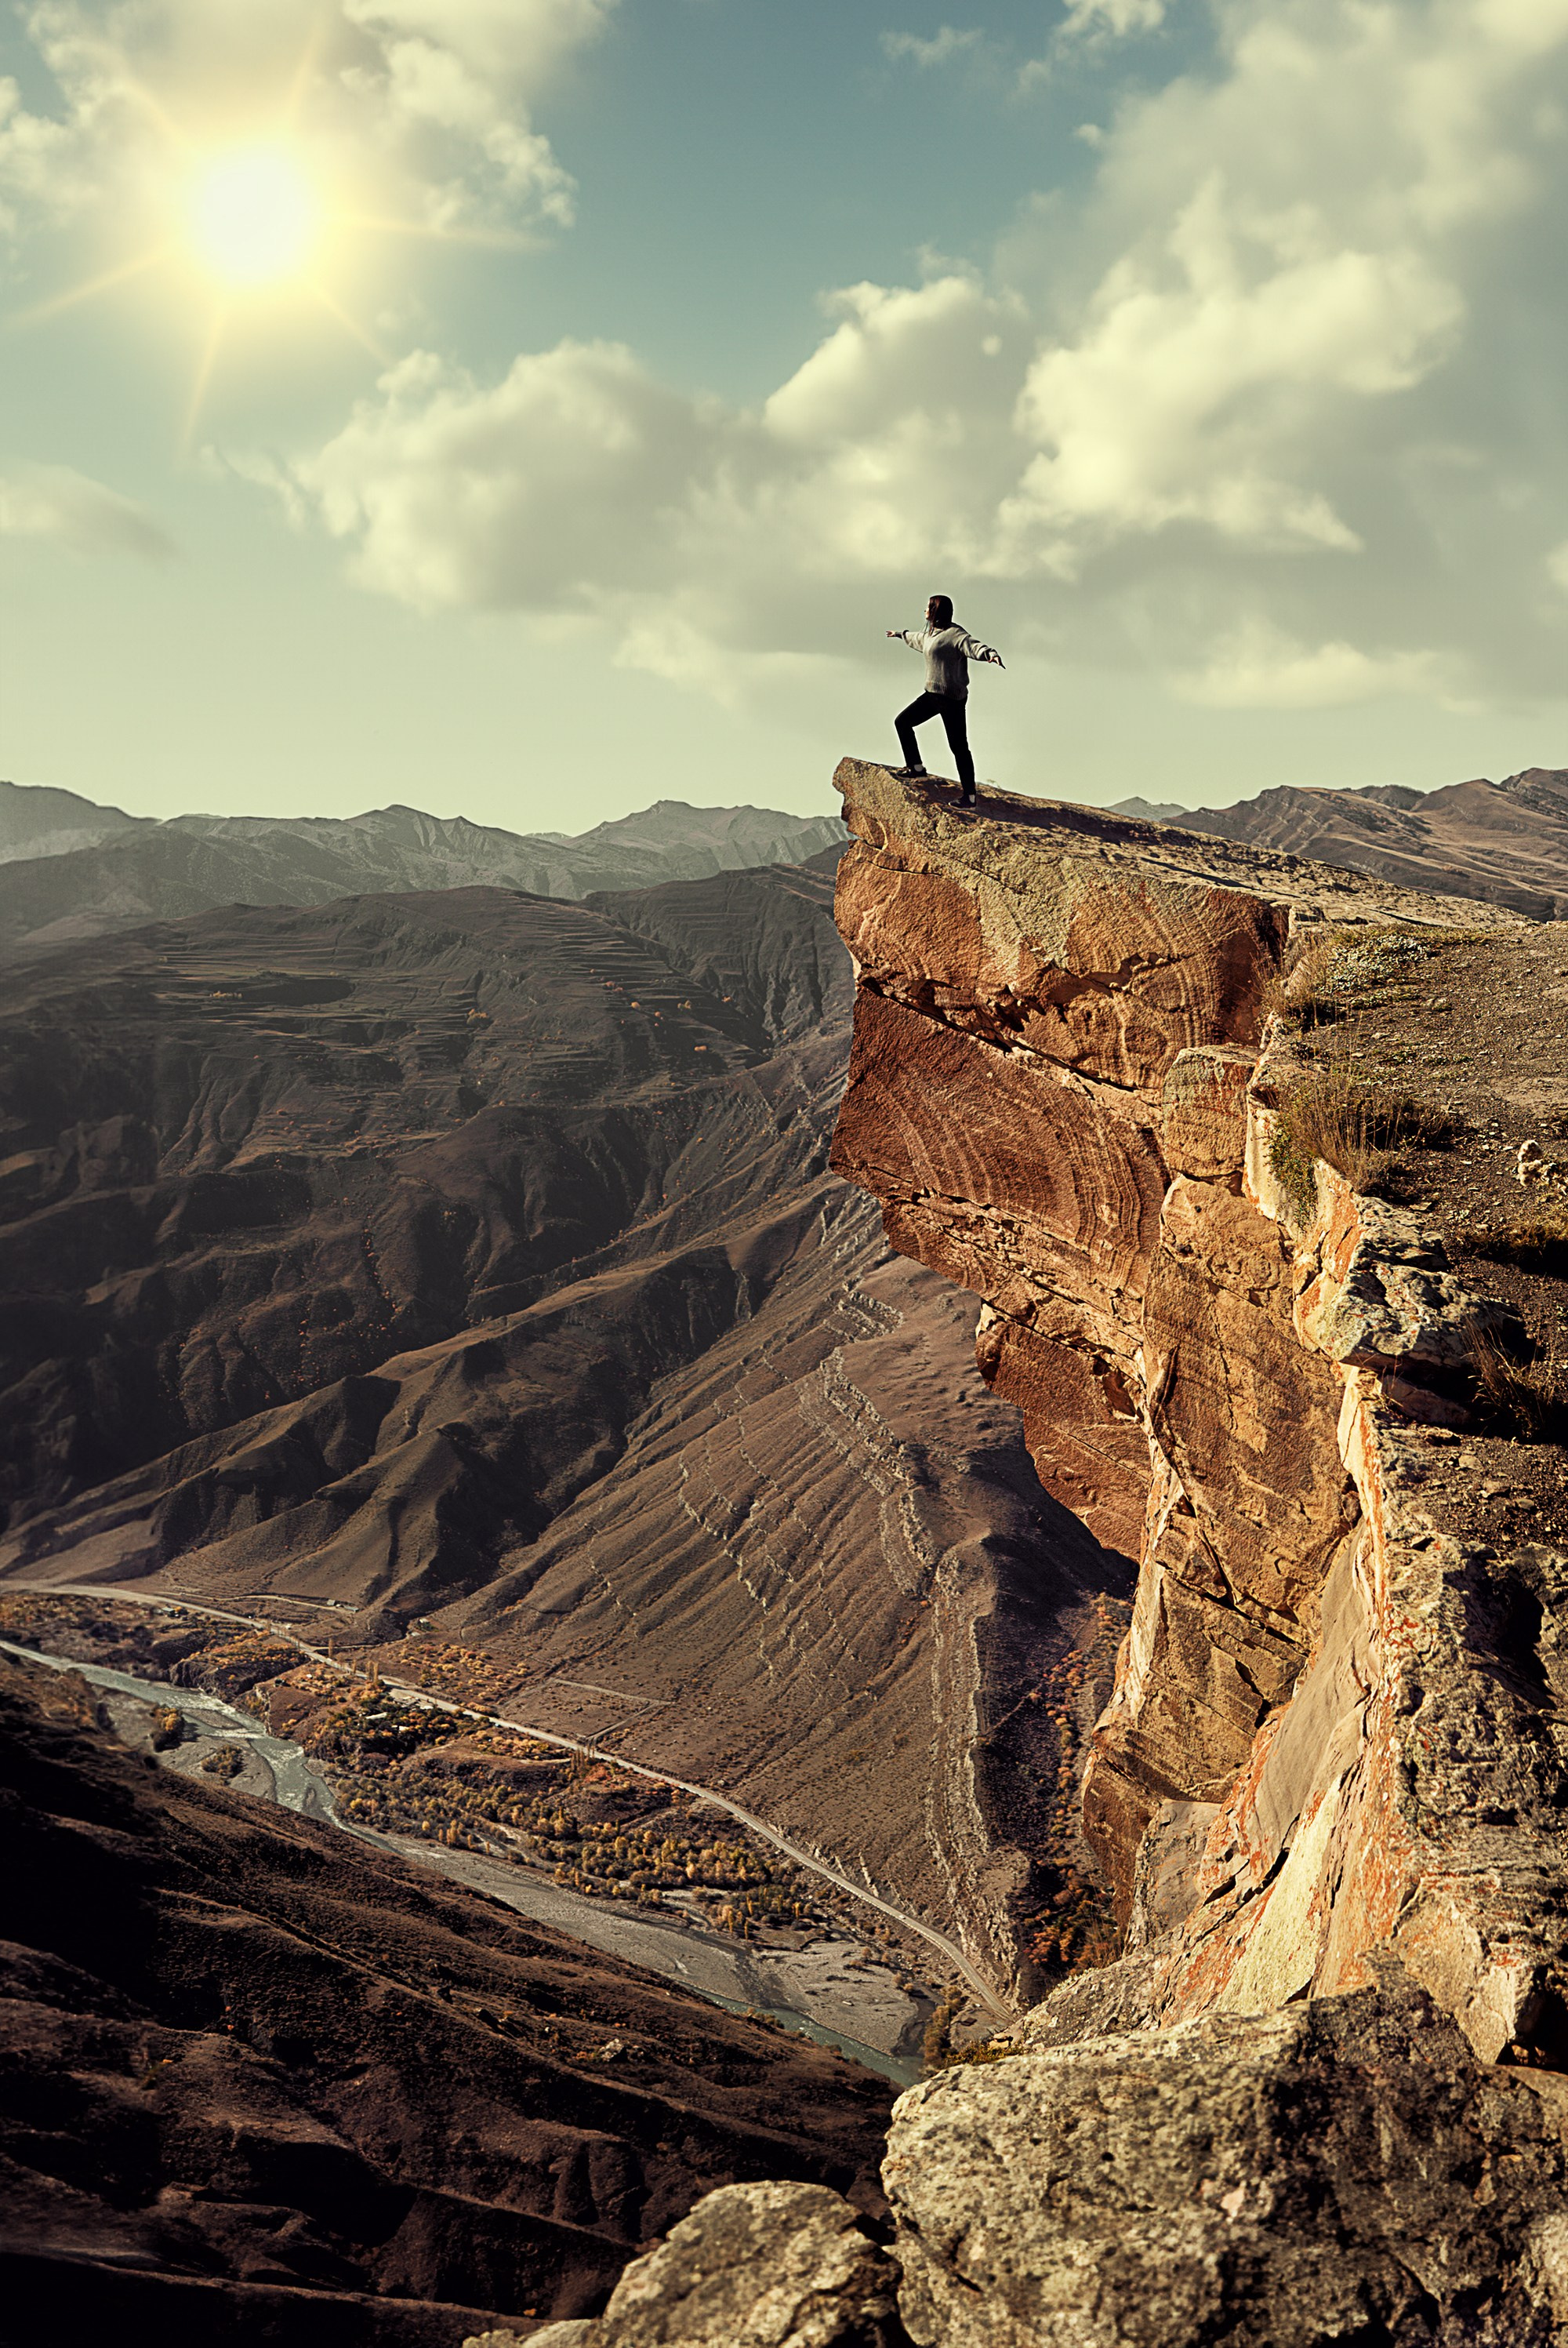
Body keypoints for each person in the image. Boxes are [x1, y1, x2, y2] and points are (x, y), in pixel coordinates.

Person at [886, 594, 1004, 808]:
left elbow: (973, 646)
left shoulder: (955, 635)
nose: (925, 611)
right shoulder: (931, 634)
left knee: (959, 747)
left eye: (928, 608)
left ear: (936, 611)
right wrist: (900, 635)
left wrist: (990, 654)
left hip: (952, 700)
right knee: (902, 722)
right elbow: (919, 639)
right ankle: (916, 768)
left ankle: (969, 797)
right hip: (932, 695)